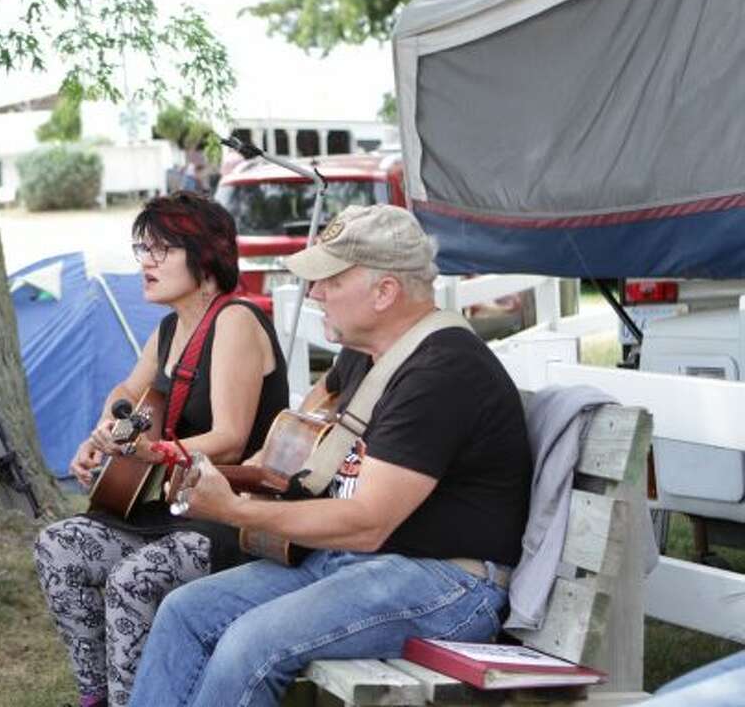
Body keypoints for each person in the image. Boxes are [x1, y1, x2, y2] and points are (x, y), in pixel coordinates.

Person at [129, 204, 532, 707]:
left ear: (385, 292)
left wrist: (232, 508)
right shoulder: (366, 355)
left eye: (329, 282)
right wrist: (204, 469)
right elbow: (302, 439)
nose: (314, 293)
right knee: (183, 611)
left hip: (443, 579)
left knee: (250, 644)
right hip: (361, 561)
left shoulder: (442, 371)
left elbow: (367, 522)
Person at [33, 192, 289, 707]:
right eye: (141, 248)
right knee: (56, 547)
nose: (145, 262)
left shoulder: (235, 320)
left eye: (161, 250)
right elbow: (128, 392)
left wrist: (158, 453)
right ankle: (98, 698)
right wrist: (101, 435)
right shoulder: (172, 327)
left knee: (132, 580)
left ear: (205, 255)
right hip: (169, 511)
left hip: (230, 515)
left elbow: (231, 439)